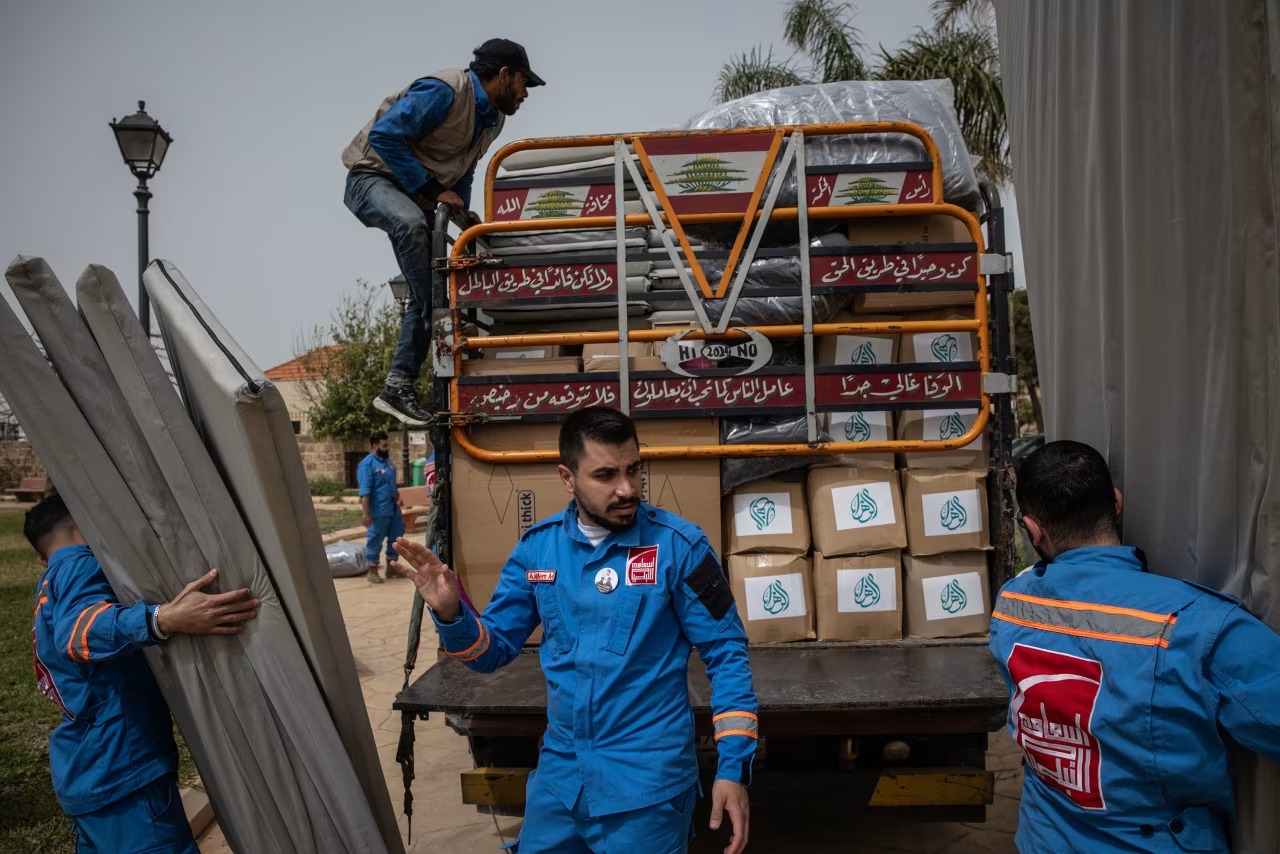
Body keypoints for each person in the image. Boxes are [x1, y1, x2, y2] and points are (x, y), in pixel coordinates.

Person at [396, 407, 755, 854]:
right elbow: (492, 651)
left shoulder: (679, 547)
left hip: (647, 787)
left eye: (633, 470)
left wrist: (732, 768)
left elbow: (727, 654)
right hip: (561, 782)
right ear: (567, 477)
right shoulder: (537, 549)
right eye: (605, 475)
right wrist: (451, 612)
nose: (626, 489)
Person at [991, 440, 1280, 852]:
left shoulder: (1010, 606)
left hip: (1043, 839)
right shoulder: (1197, 624)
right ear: (1117, 502)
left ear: (1035, 529)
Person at [25, 496, 260, 853]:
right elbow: (78, 634)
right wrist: (164, 618)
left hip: (85, 770)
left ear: (41, 557)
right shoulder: (79, 562)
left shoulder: (50, 583)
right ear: (85, 523)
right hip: (122, 773)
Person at [342, 38, 544, 426]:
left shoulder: (493, 120)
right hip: (373, 179)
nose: (525, 94)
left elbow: (462, 170)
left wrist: (462, 216)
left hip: (418, 195)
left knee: (442, 283)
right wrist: (436, 194)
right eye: (523, 83)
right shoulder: (446, 90)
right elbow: (384, 136)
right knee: (419, 251)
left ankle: (399, 383)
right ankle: (401, 379)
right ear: (503, 75)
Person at [358, 431, 404, 584]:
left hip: (393, 509)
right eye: (384, 445)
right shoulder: (367, 465)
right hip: (378, 510)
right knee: (375, 540)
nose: (387, 448)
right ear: (374, 445)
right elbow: (365, 492)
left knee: (396, 538)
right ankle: (372, 571)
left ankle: (391, 569)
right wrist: (366, 513)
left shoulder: (388, 463)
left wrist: (398, 495)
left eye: (387, 445)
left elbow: (392, 483)